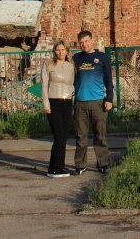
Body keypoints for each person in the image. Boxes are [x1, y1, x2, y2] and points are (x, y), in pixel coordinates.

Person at [71, 30, 113, 175]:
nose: (84, 45)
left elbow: (108, 79)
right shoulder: (76, 58)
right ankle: (80, 165)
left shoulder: (101, 57)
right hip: (80, 103)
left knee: (100, 135)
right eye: (81, 43)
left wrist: (109, 99)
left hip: (98, 103)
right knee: (80, 136)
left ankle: (103, 163)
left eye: (86, 41)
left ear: (92, 40)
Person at [41, 40, 74, 178]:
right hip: (53, 103)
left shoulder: (71, 66)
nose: (60, 52)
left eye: (63, 50)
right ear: (54, 51)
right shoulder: (48, 64)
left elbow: (73, 84)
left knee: (63, 137)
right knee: (59, 136)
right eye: (58, 50)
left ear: (67, 51)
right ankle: (54, 168)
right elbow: (43, 85)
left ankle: (59, 166)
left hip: (67, 103)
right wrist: (46, 104)